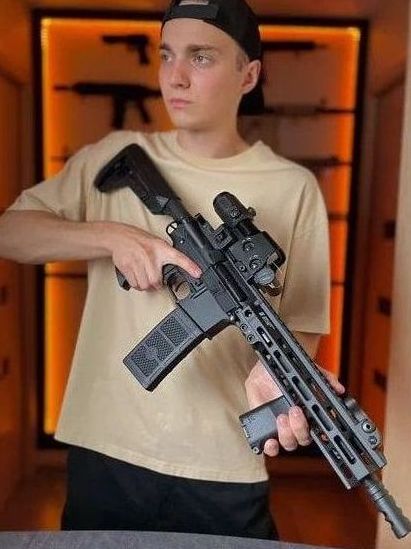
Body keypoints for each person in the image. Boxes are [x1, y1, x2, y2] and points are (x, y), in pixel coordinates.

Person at [0, 0, 344, 540]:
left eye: (201, 57)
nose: (175, 77)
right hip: (107, 452)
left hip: (223, 464)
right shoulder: (115, 156)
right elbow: (10, 232)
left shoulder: (293, 186)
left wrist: (276, 378)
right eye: (167, 55)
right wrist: (112, 235)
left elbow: (299, 322)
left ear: (248, 75)